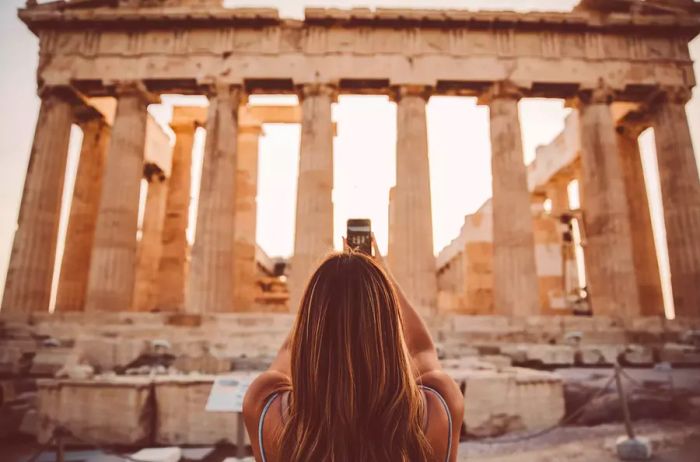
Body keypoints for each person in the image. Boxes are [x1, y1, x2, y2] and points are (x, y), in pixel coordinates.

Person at [243, 236, 463, 461]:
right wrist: (382, 274)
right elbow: (422, 350)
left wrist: (318, 308)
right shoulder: (440, 406)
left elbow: (287, 353)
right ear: (388, 325)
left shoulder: (265, 407)